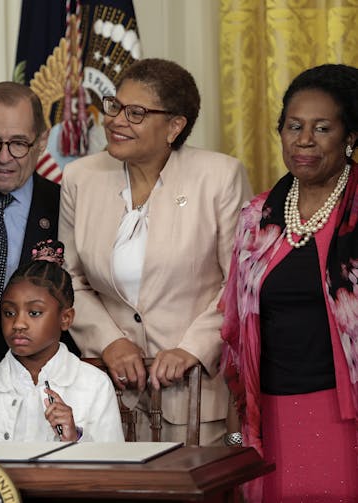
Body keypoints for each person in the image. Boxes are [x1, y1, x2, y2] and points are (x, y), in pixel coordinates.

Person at [59, 58, 252, 445]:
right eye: (114, 106)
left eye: (135, 113)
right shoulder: (80, 177)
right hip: (108, 398)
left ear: (174, 126)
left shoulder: (219, 177)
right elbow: (68, 279)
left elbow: (241, 284)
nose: (115, 120)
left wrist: (192, 349)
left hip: (198, 400)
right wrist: (108, 340)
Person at [221, 64, 358, 502]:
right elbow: (234, 327)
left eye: (322, 128)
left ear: (350, 136)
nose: (304, 140)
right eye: (293, 127)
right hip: (271, 411)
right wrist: (236, 421)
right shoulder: (255, 217)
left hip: (344, 412)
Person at [0, 240, 123, 443]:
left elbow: (112, 467)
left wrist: (74, 438)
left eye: (34, 313)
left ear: (65, 318)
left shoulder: (94, 385)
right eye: (9, 313)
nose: (18, 324)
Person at [0, 82, 79, 365]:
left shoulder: (65, 207)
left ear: (42, 140)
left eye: (18, 143)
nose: (4, 158)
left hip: (42, 385)